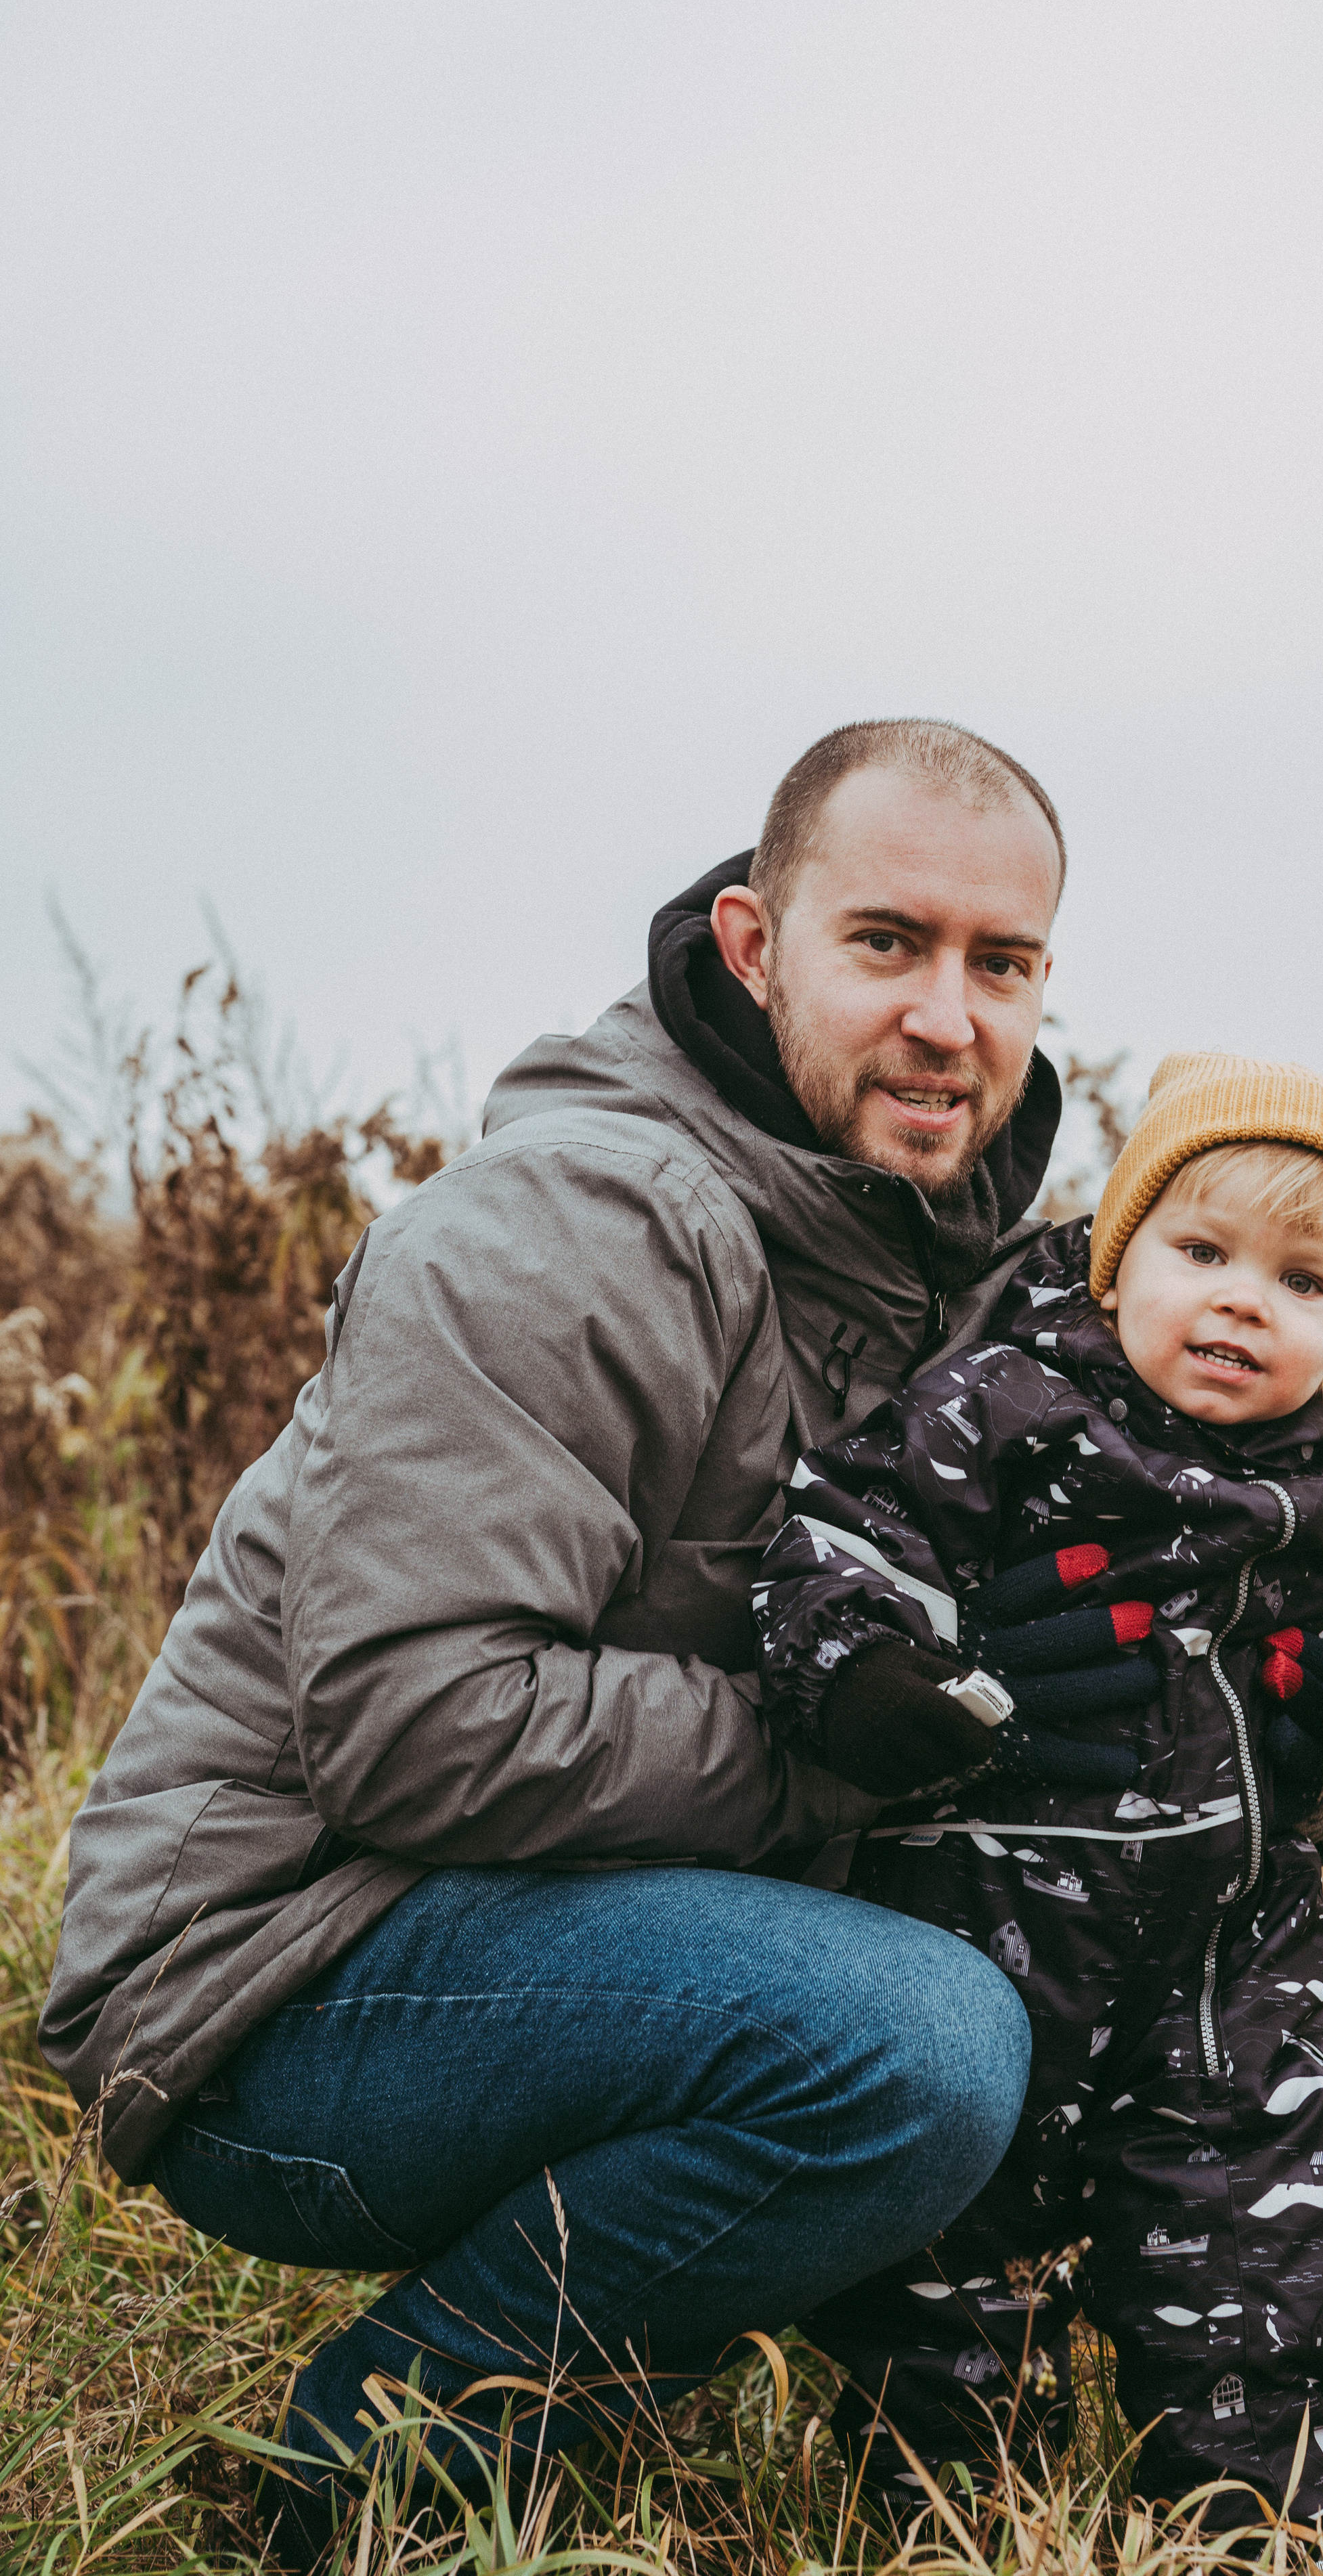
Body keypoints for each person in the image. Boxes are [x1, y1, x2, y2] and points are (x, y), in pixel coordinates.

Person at [39, 719, 1150, 2567]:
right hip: (273, 1980)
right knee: (919, 2045)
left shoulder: (967, 1284)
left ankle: (683, 2411)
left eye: (1003, 962)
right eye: (888, 944)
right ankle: (362, 2478)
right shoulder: (565, 1232)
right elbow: (418, 1727)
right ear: (751, 944)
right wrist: (845, 1743)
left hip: (549, 1929)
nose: (950, 1018)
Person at [752, 1050, 1323, 2534]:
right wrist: (871, 1680)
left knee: (1270, 2285)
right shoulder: (999, 1408)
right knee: (937, 2299)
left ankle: (1253, 2541)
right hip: (978, 1956)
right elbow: (835, 1543)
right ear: (1119, 1254)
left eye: (1302, 1282)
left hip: (1228, 1981)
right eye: (1199, 1253)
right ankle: (949, 2532)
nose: (1242, 1301)